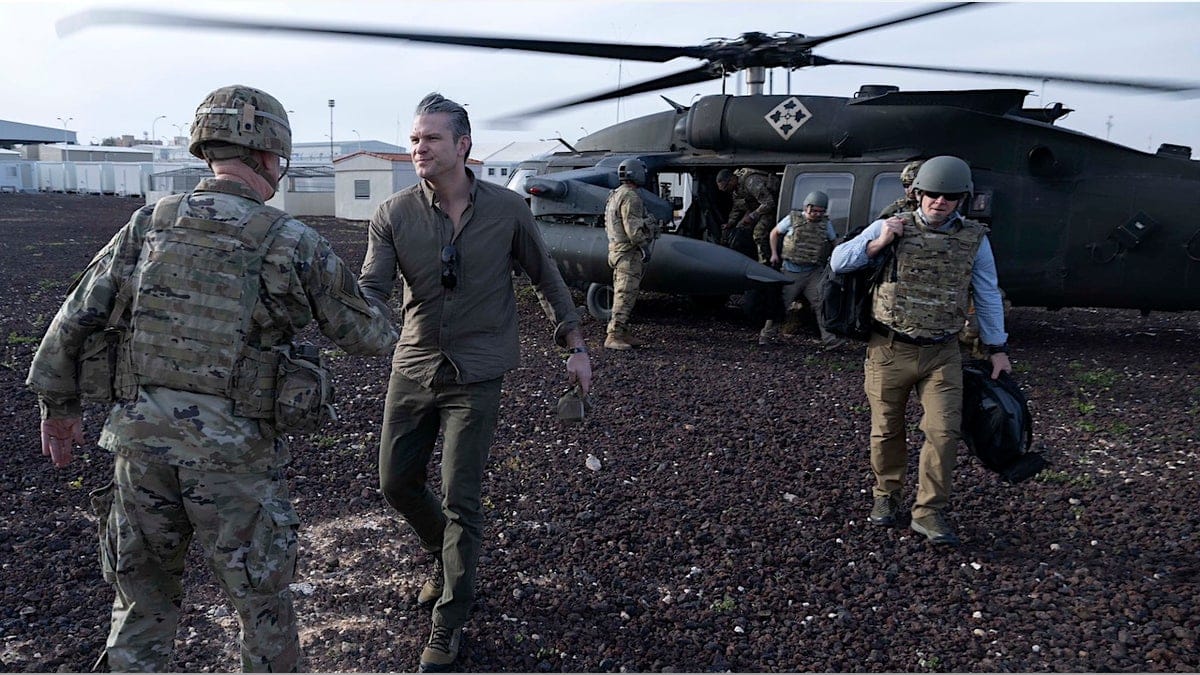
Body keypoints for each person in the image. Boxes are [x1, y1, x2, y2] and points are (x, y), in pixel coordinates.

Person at [25, 84, 398, 671]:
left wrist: (58, 407)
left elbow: (75, 316)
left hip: (138, 449)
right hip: (234, 463)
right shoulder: (288, 239)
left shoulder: (148, 224)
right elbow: (368, 337)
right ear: (271, 155)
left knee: (140, 606)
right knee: (262, 612)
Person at [358, 92, 592, 672]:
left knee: (462, 497)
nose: (419, 148)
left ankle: (449, 622)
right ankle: (447, 558)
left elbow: (547, 279)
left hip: (479, 374)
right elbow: (370, 293)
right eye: (414, 139)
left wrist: (576, 345)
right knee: (396, 482)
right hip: (412, 368)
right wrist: (332, 312)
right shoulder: (393, 214)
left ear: (463, 146)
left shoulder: (508, 212)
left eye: (431, 139)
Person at [829, 155, 1011, 546]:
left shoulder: (974, 240)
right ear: (917, 194)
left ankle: (929, 512)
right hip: (889, 349)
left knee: (943, 433)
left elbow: (987, 293)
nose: (939, 203)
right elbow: (839, 261)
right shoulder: (892, 225)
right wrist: (879, 242)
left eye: (948, 196)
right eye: (932, 194)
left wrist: (997, 347)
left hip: (942, 353)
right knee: (886, 431)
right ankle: (886, 496)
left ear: (961, 199)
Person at [761, 190, 844, 349]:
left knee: (821, 303)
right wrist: (773, 254)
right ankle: (766, 335)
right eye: (814, 211)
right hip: (791, 271)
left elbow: (834, 242)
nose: (817, 214)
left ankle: (829, 339)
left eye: (821, 211)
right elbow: (774, 233)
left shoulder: (825, 224)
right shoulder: (793, 219)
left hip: (813, 271)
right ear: (806, 208)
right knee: (781, 304)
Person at [603, 158, 658, 350]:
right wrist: (645, 246)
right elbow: (633, 230)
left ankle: (623, 332)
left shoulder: (615, 194)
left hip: (616, 250)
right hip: (627, 253)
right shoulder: (631, 197)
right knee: (625, 294)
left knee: (625, 292)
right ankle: (614, 336)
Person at [716, 167, 779, 263]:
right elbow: (737, 207)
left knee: (759, 233)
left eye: (726, 187)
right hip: (757, 208)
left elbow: (769, 203)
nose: (726, 190)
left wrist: (752, 216)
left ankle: (766, 263)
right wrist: (730, 223)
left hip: (770, 207)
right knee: (740, 230)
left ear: (732, 180)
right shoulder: (736, 189)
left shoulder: (751, 182)